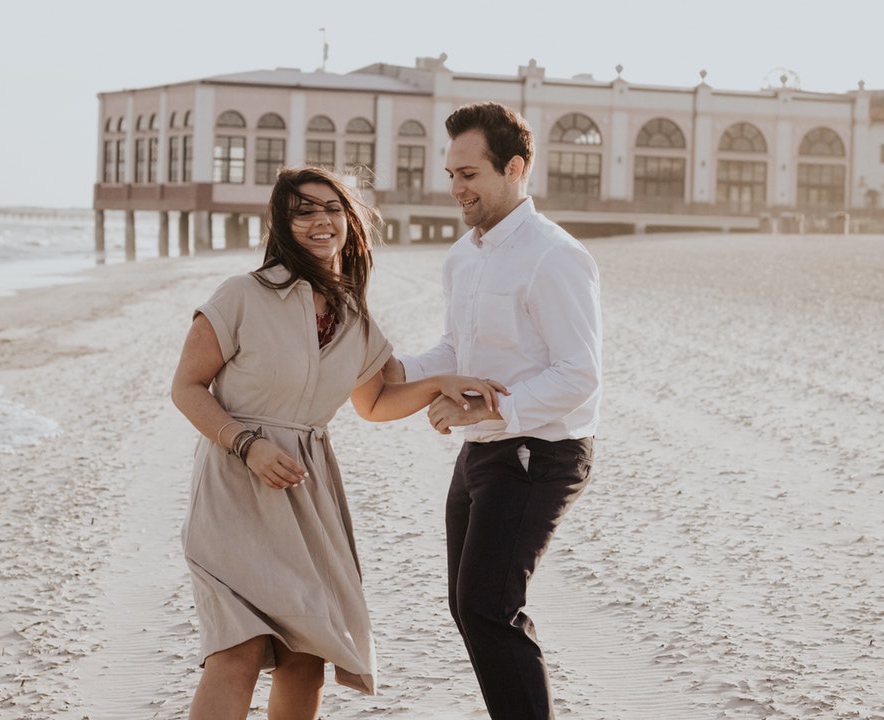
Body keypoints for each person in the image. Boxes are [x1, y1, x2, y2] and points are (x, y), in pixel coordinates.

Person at [170, 166, 504, 720]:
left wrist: (439, 385)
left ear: (350, 220)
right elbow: (186, 386)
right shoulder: (241, 296)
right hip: (233, 488)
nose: (321, 221)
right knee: (238, 647)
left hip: (308, 496)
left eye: (331, 209)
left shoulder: (354, 317)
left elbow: (375, 402)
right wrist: (246, 443)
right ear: (283, 223)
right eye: (304, 211)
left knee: (307, 654)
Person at [384, 102, 602, 720]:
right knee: (467, 605)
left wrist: (485, 414)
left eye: (470, 175)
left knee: (487, 606)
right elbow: (456, 348)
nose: (456, 188)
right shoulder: (463, 256)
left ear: (515, 168)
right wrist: (397, 372)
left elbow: (579, 376)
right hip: (482, 452)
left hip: (542, 452)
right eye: (451, 174)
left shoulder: (554, 256)